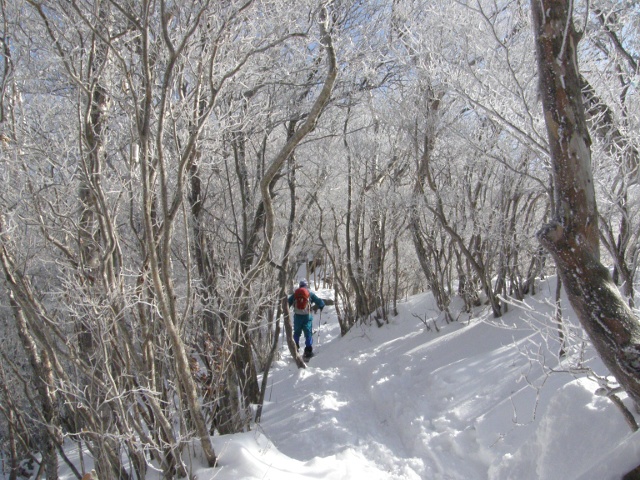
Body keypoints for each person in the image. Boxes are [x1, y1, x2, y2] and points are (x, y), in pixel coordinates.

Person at [288, 280, 325, 357]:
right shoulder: (309, 294)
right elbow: (319, 301)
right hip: (307, 317)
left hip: (297, 316)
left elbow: (288, 303)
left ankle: (295, 348)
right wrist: (322, 305)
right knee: (308, 333)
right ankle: (308, 350)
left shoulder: (295, 294)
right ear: (306, 286)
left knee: (297, 333)